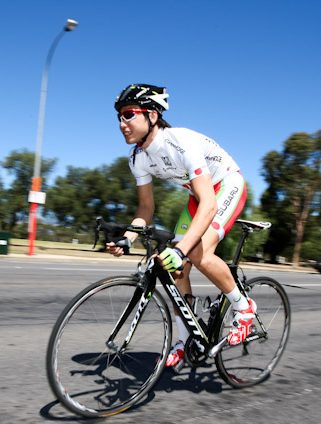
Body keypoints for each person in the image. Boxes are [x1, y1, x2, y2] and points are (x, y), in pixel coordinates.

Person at [106, 83, 256, 368]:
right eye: (119, 117)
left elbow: (210, 203)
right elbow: (146, 208)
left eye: (128, 114)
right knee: (174, 266)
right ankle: (184, 337)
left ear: (151, 115)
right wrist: (128, 238)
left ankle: (243, 307)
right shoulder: (138, 157)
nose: (122, 123)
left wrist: (182, 248)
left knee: (196, 253)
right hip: (197, 196)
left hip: (224, 185)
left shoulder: (179, 141)